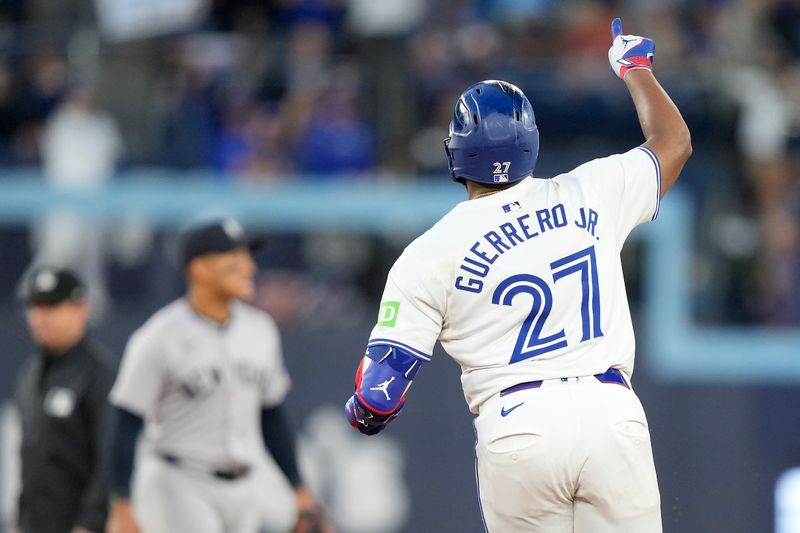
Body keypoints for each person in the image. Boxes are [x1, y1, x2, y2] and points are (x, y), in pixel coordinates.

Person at [344, 18, 691, 532]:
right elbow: (674, 141)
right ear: (530, 144)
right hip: (611, 412)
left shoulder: (427, 254)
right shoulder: (590, 192)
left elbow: (380, 393)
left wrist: (361, 412)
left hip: (518, 424)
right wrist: (635, 68)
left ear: (454, 154)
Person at [106, 218, 330, 533]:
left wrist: (299, 489)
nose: (249, 267)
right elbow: (125, 425)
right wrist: (121, 503)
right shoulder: (158, 336)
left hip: (244, 486)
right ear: (200, 268)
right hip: (179, 481)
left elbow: (271, 417)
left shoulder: (261, 330)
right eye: (235, 258)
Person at [13, 266, 115, 533]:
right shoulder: (29, 375)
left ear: (80, 309)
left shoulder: (99, 375)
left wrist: (90, 523)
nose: (41, 317)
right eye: (35, 307)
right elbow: (31, 460)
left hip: (77, 525)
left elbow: (110, 459)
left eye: (52, 306)